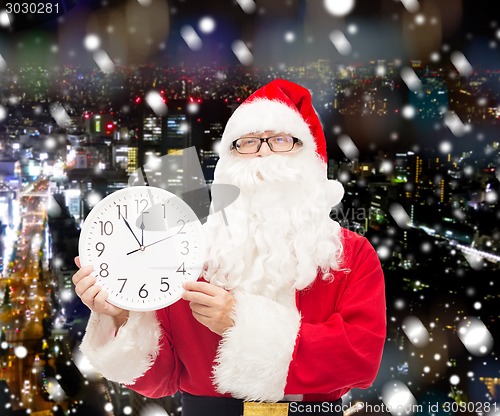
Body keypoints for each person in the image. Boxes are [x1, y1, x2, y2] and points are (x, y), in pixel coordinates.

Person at [72, 79, 386, 416]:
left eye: (281, 140)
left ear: (310, 158)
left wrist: (240, 321)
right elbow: (160, 380)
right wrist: (121, 316)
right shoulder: (186, 253)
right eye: (247, 143)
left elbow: (360, 360)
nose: (264, 151)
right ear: (227, 163)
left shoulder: (353, 255)